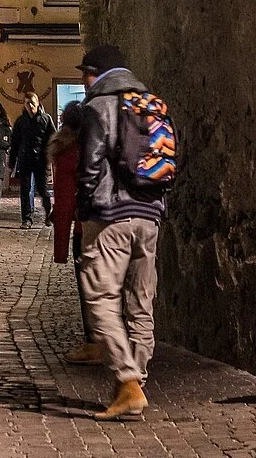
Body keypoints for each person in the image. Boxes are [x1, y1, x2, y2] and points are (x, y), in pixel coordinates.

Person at [76, 44, 168, 420]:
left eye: (86, 73)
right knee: (141, 303)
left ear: (96, 74)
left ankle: (128, 382)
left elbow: (90, 165)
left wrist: (86, 209)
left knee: (100, 296)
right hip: (150, 217)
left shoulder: (99, 107)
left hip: (112, 217)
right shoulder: (153, 104)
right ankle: (135, 384)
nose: (84, 80)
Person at [48, 100, 102, 365]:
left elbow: (65, 199)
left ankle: (94, 343)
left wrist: (60, 249)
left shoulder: (67, 150)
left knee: (88, 287)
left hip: (84, 227)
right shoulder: (101, 145)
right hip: (112, 222)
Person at [9, 92, 55, 228]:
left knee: (43, 189)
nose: (30, 106)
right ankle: (26, 219)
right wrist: (12, 161)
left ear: (37, 103)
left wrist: (52, 155)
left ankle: (48, 213)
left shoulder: (46, 119)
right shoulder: (21, 121)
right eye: (27, 103)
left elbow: (53, 137)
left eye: (32, 103)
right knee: (25, 189)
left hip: (40, 160)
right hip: (25, 159)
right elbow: (15, 142)